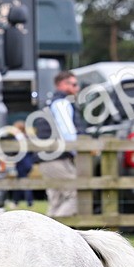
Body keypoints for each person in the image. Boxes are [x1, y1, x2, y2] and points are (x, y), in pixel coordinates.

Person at [36, 71, 85, 218]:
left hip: (47, 159)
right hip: (58, 159)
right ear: (63, 85)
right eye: (74, 84)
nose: (77, 88)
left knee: (56, 200)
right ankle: (53, 235)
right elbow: (68, 132)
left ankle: (44, 237)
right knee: (77, 195)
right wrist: (79, 152)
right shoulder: (62, 103)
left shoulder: (51, 102)